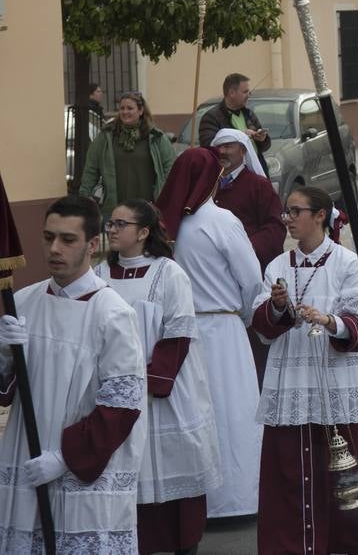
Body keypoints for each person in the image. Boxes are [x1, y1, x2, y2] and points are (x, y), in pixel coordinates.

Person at [0, 196, 146, 554]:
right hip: (27, 462)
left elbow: (121, 407)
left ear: (93, 245)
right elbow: (6, 391)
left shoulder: (113, 314)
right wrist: (3, 355)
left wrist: (63, 458)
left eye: (68, 240)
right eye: (48, 237)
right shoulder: (24, 302)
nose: (54, 248)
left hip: (82, 473)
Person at [250, 186, 358, 555]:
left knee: (340, 477)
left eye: (295, 211)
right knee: (287, 473)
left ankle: (345, 546)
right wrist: (278, 308)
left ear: (320, 215)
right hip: (290, 383)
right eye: (286, 212)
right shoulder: (276, 265)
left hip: (332, 382)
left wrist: (329, 319)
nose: (287, 219)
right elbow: (260, 321)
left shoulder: (346, 262)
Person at [97, 198, 221, 555]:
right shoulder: (101, 276)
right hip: (117, 394)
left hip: (166, 393)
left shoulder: (168, 272)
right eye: (111, 223)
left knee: (174, 471)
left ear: (144, 232)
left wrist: (150, 383)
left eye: (121, 224)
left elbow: (178, 331)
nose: (113, 230)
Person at [156, 148, 265, 519]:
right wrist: (249, 317)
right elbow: (251, 280)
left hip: (184, 331)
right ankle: (237, 499)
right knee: (234, 412)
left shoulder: (167, 227)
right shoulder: (221, 220)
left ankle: (200, 503)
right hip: (223, 328)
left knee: (199, 413)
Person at [78, 89, 177, 217]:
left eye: (130, 108)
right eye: (122, 108)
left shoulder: (156, 137)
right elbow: (90, 169)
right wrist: (85, 198)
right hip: (114, 210)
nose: (125, 112)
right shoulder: (106, 136)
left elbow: (171, 169)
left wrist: (165, 199)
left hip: (148, 210)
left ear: (141, 111)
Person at [211, 127, 286, 270]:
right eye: (218, 147)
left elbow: (275, 227)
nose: (221, 151)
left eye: (228, 146)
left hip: (251, 265)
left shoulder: (259, 185)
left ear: (243, 150)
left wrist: (244, 249)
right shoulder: (208, 186)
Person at [196, 73, 271, 163]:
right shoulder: (211, 118)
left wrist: (262, 139)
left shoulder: (249, 114)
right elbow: (209, 148)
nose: (249, 95)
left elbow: (265, 147)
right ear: (231, 93)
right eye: (245, 92)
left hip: (255, 172)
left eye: (249, 92)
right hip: (230, 174)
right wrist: (239, 136)